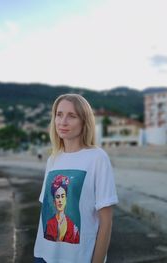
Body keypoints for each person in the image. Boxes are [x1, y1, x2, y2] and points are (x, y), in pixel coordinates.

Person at [34, 94, 118, 263]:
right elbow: (46, 209)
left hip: (79, 258)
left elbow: (106, 221)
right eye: (59, 114)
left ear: (84, 121)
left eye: (71, 116)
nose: (62, 122)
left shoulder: (97, 158)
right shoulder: (53, 159)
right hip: (43, 255)